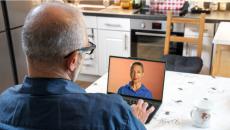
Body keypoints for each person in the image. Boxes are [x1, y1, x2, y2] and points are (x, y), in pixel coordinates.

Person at [0, 2, 155, 130]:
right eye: (86, 50)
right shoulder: (114, 114)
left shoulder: (3, 102)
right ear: (73, 61)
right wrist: (138, 123)